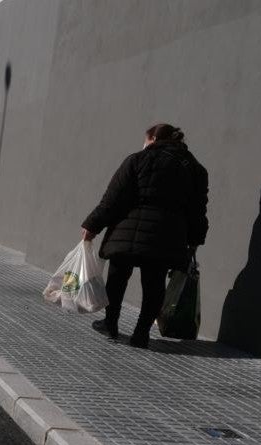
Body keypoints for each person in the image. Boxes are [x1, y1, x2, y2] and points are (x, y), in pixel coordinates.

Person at [82, 123, 209, 348]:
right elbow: (197, 210)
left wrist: (93, 225)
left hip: (127, 230)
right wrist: (195, 240)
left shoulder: (137, 160)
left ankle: (111, 323)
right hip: (166, 236)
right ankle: (141, 334)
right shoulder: (195, 169)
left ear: (152, 138)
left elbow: (113, 199)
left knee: (118, 277)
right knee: (155, 284)